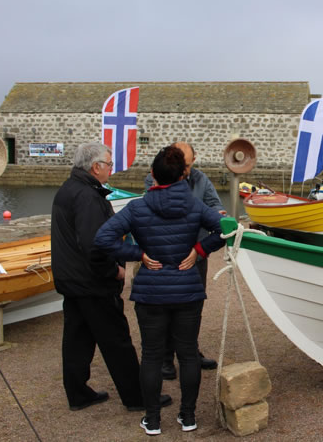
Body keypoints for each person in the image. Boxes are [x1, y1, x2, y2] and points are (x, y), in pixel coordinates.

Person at [95, 146, 226, 435]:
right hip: (187, 290)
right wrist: (200, 249)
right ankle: (188, 417)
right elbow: (225, 229)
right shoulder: (194, 205)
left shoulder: (138, 207)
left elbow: (103, 238)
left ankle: (152, 419)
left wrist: (137, 253)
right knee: (189, 354)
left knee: (152, 355)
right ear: (182, 175)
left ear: (153, 174)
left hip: (151, 292)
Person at [51, 142, 171, 412]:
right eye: (108, 164)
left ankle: (78, 393)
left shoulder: (68, 189)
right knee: (116, 339)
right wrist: (113, 271)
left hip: (71, 279)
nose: (111, 169)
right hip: (92, 281)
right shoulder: (87, 197)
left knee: (77, 338)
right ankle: (137, 397)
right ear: (96, 167)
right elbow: (96, 244)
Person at [144, 141, 225, 378]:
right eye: (183, 166)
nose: (186, 171)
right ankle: (166, 358)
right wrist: (203, 215)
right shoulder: (156, 178)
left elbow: (216, 205)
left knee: (194, 306)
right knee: (166, 308)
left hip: (196, 254)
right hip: (166, 255)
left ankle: (189, 350)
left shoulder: (200, 179)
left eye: (188, 165)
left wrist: (213, 215)